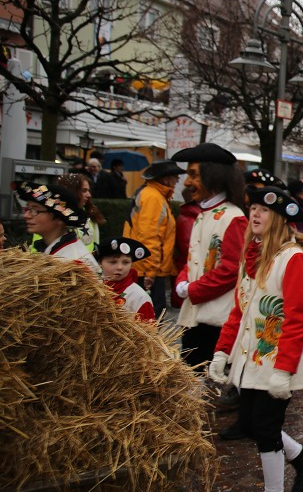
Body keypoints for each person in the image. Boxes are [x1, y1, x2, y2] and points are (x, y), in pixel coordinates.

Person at [206, 186, 303, 492]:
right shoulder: (253, 256)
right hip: (250, 362)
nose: (255, 214)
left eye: (264, 210)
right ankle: (302, 458)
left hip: (274, 365)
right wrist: (222, 351)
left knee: (265, 430)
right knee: (255, 425)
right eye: (252, 208)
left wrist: (283, 370)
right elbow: (239, 309)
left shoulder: (293, 259)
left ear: (281, 219)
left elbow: (299, 319)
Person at [171, 143, 247, 387]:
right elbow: (194, 258)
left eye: (194, 175)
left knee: (208, 384)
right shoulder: (203, 213)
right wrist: (182, 280)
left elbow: (230, 270)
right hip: (196, 313)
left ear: (213, 176)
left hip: (215, 318)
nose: (186, 183)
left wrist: (192, 289)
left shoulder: (233, 217)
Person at [125, 160, 182, 317]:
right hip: (147, 269)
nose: (177, 180)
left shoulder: (154, 195)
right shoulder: (153, 198)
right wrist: (150, 272)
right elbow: (149, 236)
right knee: (152, 319)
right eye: (175, 176)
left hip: (147, 267)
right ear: (164, 178)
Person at [16, 182, 100, 275]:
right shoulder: (49, 251)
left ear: (60, 218)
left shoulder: (75, 264)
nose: (26, 215)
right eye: (27, 209)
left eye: (35, 210)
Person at [98, 236, 155, 322]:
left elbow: (149, 332)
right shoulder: (91, 288)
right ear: (100, 263)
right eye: (113, 262)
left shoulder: (139, 297)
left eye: (126, 262)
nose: (120, 267)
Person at [55, 172, 103, 253]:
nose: (89, 195)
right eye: (84, 191)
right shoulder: (52, 216)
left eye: (88, 190)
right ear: (71, 192)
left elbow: (95, 244)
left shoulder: (89, 213)